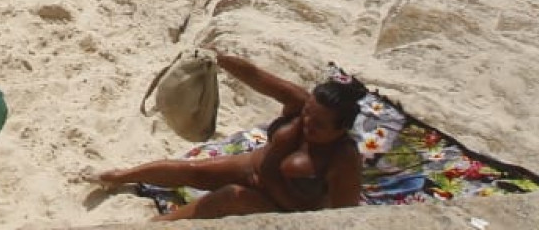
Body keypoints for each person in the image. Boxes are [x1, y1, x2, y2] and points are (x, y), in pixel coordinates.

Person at [98, 56, 365, 218]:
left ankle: (161, 225)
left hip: (281, 206)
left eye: (318, 124)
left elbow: (343, 215)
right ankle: (119, 176)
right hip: (252, 167)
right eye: (307, 114)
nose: (307, 122)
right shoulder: (299, 102)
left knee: (230, 196)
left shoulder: (343, 159)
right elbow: (258, 77)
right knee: (194, 171)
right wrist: (221, 59)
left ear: (340, 129)